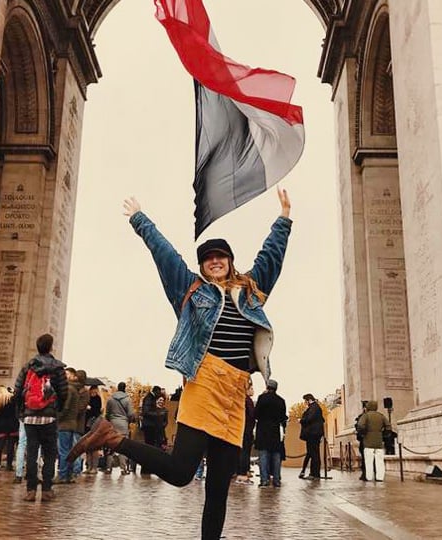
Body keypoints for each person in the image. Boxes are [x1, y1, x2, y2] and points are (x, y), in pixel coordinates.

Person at [68, 189, 292, 540]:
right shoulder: (191, 289)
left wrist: (284, 219)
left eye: (221, 257)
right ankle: (112, 438)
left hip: (235, 394)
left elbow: (271, 258)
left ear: (231, 261)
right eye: (208, 258)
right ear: (202, 265)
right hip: (204, 383)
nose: (215, 261)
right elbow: (165, 255)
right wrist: (141, 220)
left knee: (218, 489)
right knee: (180, 471)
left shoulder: (250, 289)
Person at [13, 333, 68, 502]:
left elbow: (17, 390)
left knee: (31, 451)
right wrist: (57, 409)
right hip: (49, 417)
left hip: (30, 417)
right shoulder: (58, 368)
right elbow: (64, 392)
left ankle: (30, 490)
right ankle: (46, 490)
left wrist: (21, 411)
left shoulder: (28, 366)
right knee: (50, 453)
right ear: (51, 347)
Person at [57, 368, 88, 483]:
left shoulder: (69, 389)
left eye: (67, 374)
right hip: (73, 423)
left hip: (65, 423)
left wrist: (58, 416)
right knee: (70, 450)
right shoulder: (75, 389)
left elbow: (65, 407)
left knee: (64, 450)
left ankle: (63, 475)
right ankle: (68, 475)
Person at [255, 380, 287, 488]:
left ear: (267, 387)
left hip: (263, 430)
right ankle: (277, 480)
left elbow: (256, 414)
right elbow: (283, 417)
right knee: (276, 456)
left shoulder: (262, 398)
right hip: (275, 431)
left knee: (263, 456)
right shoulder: (281, 400)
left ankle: (264, 480)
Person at [104, 382, 136, 474]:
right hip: (123, 425)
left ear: (117, 388)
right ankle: (123, 468)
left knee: (111, 446)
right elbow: (130, 414)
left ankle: (108, 468)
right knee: (122, 446)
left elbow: (107, 414)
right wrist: (131, 420)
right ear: (125, 388)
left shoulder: (110, 399)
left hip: (113, 424)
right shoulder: (127, 399)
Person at [356, 401, 389, 482]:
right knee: (380, 461)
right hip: (379, 442)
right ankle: (380, 477)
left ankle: (369, 477)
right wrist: (383, 435)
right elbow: (388, 426)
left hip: (368, 442)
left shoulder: (365, 416)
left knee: (369, 461)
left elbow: (360, 425)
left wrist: (363, 434)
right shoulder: (381, 416)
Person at [234, 379, 256, 485]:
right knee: (244, 452)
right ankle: (242, 474)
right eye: (251, 389)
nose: (253, 391)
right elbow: (252, 415)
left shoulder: (241, 400)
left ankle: (240, 472)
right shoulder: (247, 401)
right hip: (246, 430)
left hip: (241, 429)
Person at [299, 393, 325, 480]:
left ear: (309, 400)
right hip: (314, 434)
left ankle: (314, 474)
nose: (305, 403)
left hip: (313, 434)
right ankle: (313, 473)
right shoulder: (315, 407)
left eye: (305, 401)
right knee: (313, 453)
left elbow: (309, 419)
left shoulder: (314, 408)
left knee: (314, 454)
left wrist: (301, 420)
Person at [84, 385, 103, 474]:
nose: (93, 392)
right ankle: (88, 466)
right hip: (87, 425)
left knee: (94, 446)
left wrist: (90, 408)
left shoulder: (98, 399)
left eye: (95, 391)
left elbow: (97, 412)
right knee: (87, 446)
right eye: (92, 391)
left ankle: (94, 467)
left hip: (94, 425)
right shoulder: (87, 398)